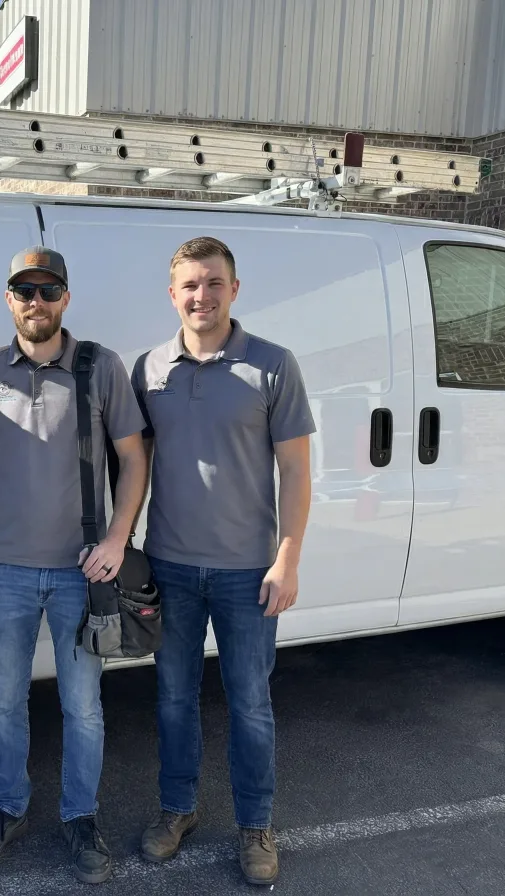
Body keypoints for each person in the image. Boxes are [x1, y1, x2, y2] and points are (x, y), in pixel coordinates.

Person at [0, 246, 149, 885]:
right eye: (24, 290)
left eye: (48, 290)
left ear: (65, 298)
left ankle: (81, 817)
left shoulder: (101, 367)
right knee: (4, 705)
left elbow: (134, 458)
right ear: (8, 299)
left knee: (83, 707)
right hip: (6, 571)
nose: (36, 302)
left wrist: (119, 540)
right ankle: (7, 808)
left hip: (82, 571)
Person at [130, 236, 314, 887]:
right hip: (170, 568)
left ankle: (256, 825)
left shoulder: (271, 365)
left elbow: (295, 470)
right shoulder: (148, 368)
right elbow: (134, 466)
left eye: (213, 283)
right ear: (173, 294)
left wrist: (286, 559)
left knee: (250, 704)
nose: (201, 296)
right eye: (190, 285)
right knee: (174, 700)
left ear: (234, 289)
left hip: (247, 573)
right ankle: (177, 810)